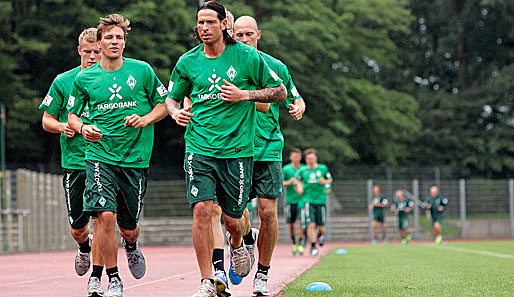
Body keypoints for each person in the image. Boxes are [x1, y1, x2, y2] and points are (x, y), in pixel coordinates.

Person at [165, 2, 287, 296]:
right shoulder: (187, 62)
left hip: (238, 151)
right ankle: (207, 280)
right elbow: (171, 98)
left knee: (234, 219)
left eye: (209, 22)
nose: (204, 28)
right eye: (200, 23)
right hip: (199, 147)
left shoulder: (246, 57)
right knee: (202, 211)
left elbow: (279, 91)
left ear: (223, 24)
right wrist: (174, 111)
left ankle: (243, 239)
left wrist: (245, 94)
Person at [67, 14, 168, 297]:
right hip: (99, 155)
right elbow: (72, 116)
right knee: (105, 216)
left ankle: (132, 246)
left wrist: (146, 118)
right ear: (99, 43)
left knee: (129, 226)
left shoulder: (143, 71)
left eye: (119, 37)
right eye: (109, 37)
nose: (115, 42)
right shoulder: (84, 78)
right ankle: (113, 278)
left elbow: (164, 104)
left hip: (135, 158)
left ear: (125, 42)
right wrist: (84, 127)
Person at [233, 15, 305, 295]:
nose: (244, 40)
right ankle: (245, 241)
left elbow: (294, 97)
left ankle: (262, 274)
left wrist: (298, 106)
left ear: (258, 35)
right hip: (235, 149)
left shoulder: (275, 67)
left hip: (268, 148)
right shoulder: (227, 65)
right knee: (235, 215)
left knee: (269, 213)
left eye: (249, 34)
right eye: (239, 35)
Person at [39, 27, 106, 297]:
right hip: (74, 162)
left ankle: (99, 277)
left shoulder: (112, 79)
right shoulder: (63, 81)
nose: (92, 56)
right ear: (79, 51)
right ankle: (83, 247)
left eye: (97, 52)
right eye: (88, 52)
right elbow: (46, 119)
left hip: (103, 160)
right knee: (79, 228)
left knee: (103, 219)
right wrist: (63, 126)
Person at [296, 149, 333, 257]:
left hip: (320, 200)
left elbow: (330, 180)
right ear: (306, 160)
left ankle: (320, 235)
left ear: (316, 158)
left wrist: (324, 181)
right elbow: (298, 181)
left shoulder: (323, 168)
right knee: (310, 224)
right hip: (308, 200)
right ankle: (313, 246)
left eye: (312, 158)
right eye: (308, 159)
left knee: (321, 227)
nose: (310, 160)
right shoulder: (303, 171)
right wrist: (299, 188)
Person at [282, 148, 307, 256]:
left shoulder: (305, 169)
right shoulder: (286, 169)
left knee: (302, 222)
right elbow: (281, 183)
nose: (296, 158)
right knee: (292, 223)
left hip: (303, 200)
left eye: (298, 156)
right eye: (294, 156)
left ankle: (301, 243)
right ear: (291, 157)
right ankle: (294, 242)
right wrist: (289, 182)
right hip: (291, 200)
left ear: (300, 157)